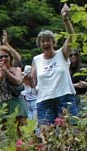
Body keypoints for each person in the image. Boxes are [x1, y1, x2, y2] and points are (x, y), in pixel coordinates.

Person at [31, 3, 78, 131]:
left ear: (53, 42)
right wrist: (28, 81)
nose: (46, 43)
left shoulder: (62, 54)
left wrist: (65, 19)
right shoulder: (37, 59)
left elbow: (72, 37)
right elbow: (33, 82)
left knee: (69, 133)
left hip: (64, 96)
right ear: (39, 44)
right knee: (46, 135)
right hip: (44, 100)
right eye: (43, 41)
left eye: (48, 40)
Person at [0, 45, 27, 135]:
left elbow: (18, 81)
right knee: (4, 134)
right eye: (1, 57)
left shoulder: (16, 69)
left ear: (10, 57)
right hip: (2, 106)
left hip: (16, 104)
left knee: (20, 132)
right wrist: (1, 77)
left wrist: (6, 72)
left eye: (6, 56)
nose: (3, 58)